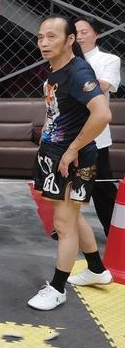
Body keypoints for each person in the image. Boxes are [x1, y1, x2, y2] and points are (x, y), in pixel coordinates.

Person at [27, 16, 112, 311]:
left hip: (70, 159)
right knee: (72, 217)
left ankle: (57, 288)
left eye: (52, 36)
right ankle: (97, 269)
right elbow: (56, 112)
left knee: (63, 225)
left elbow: (102, 114)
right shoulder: (56, 70)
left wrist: (72, 149)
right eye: (40, 37)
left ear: (70, 40)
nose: (44, 43)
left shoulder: (78, 72)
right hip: (55, 154)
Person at [74, 16, 121, 236]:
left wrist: (69, 85)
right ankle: (65, 226)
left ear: (96, 34)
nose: (79, 37)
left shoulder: (108, 60)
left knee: (102, 186)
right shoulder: (64, 59)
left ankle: (114, 231)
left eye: (84, 32)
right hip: (68, 134)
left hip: (95, 136)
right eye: (76, 32)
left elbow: (102, 86)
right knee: (66, 185)